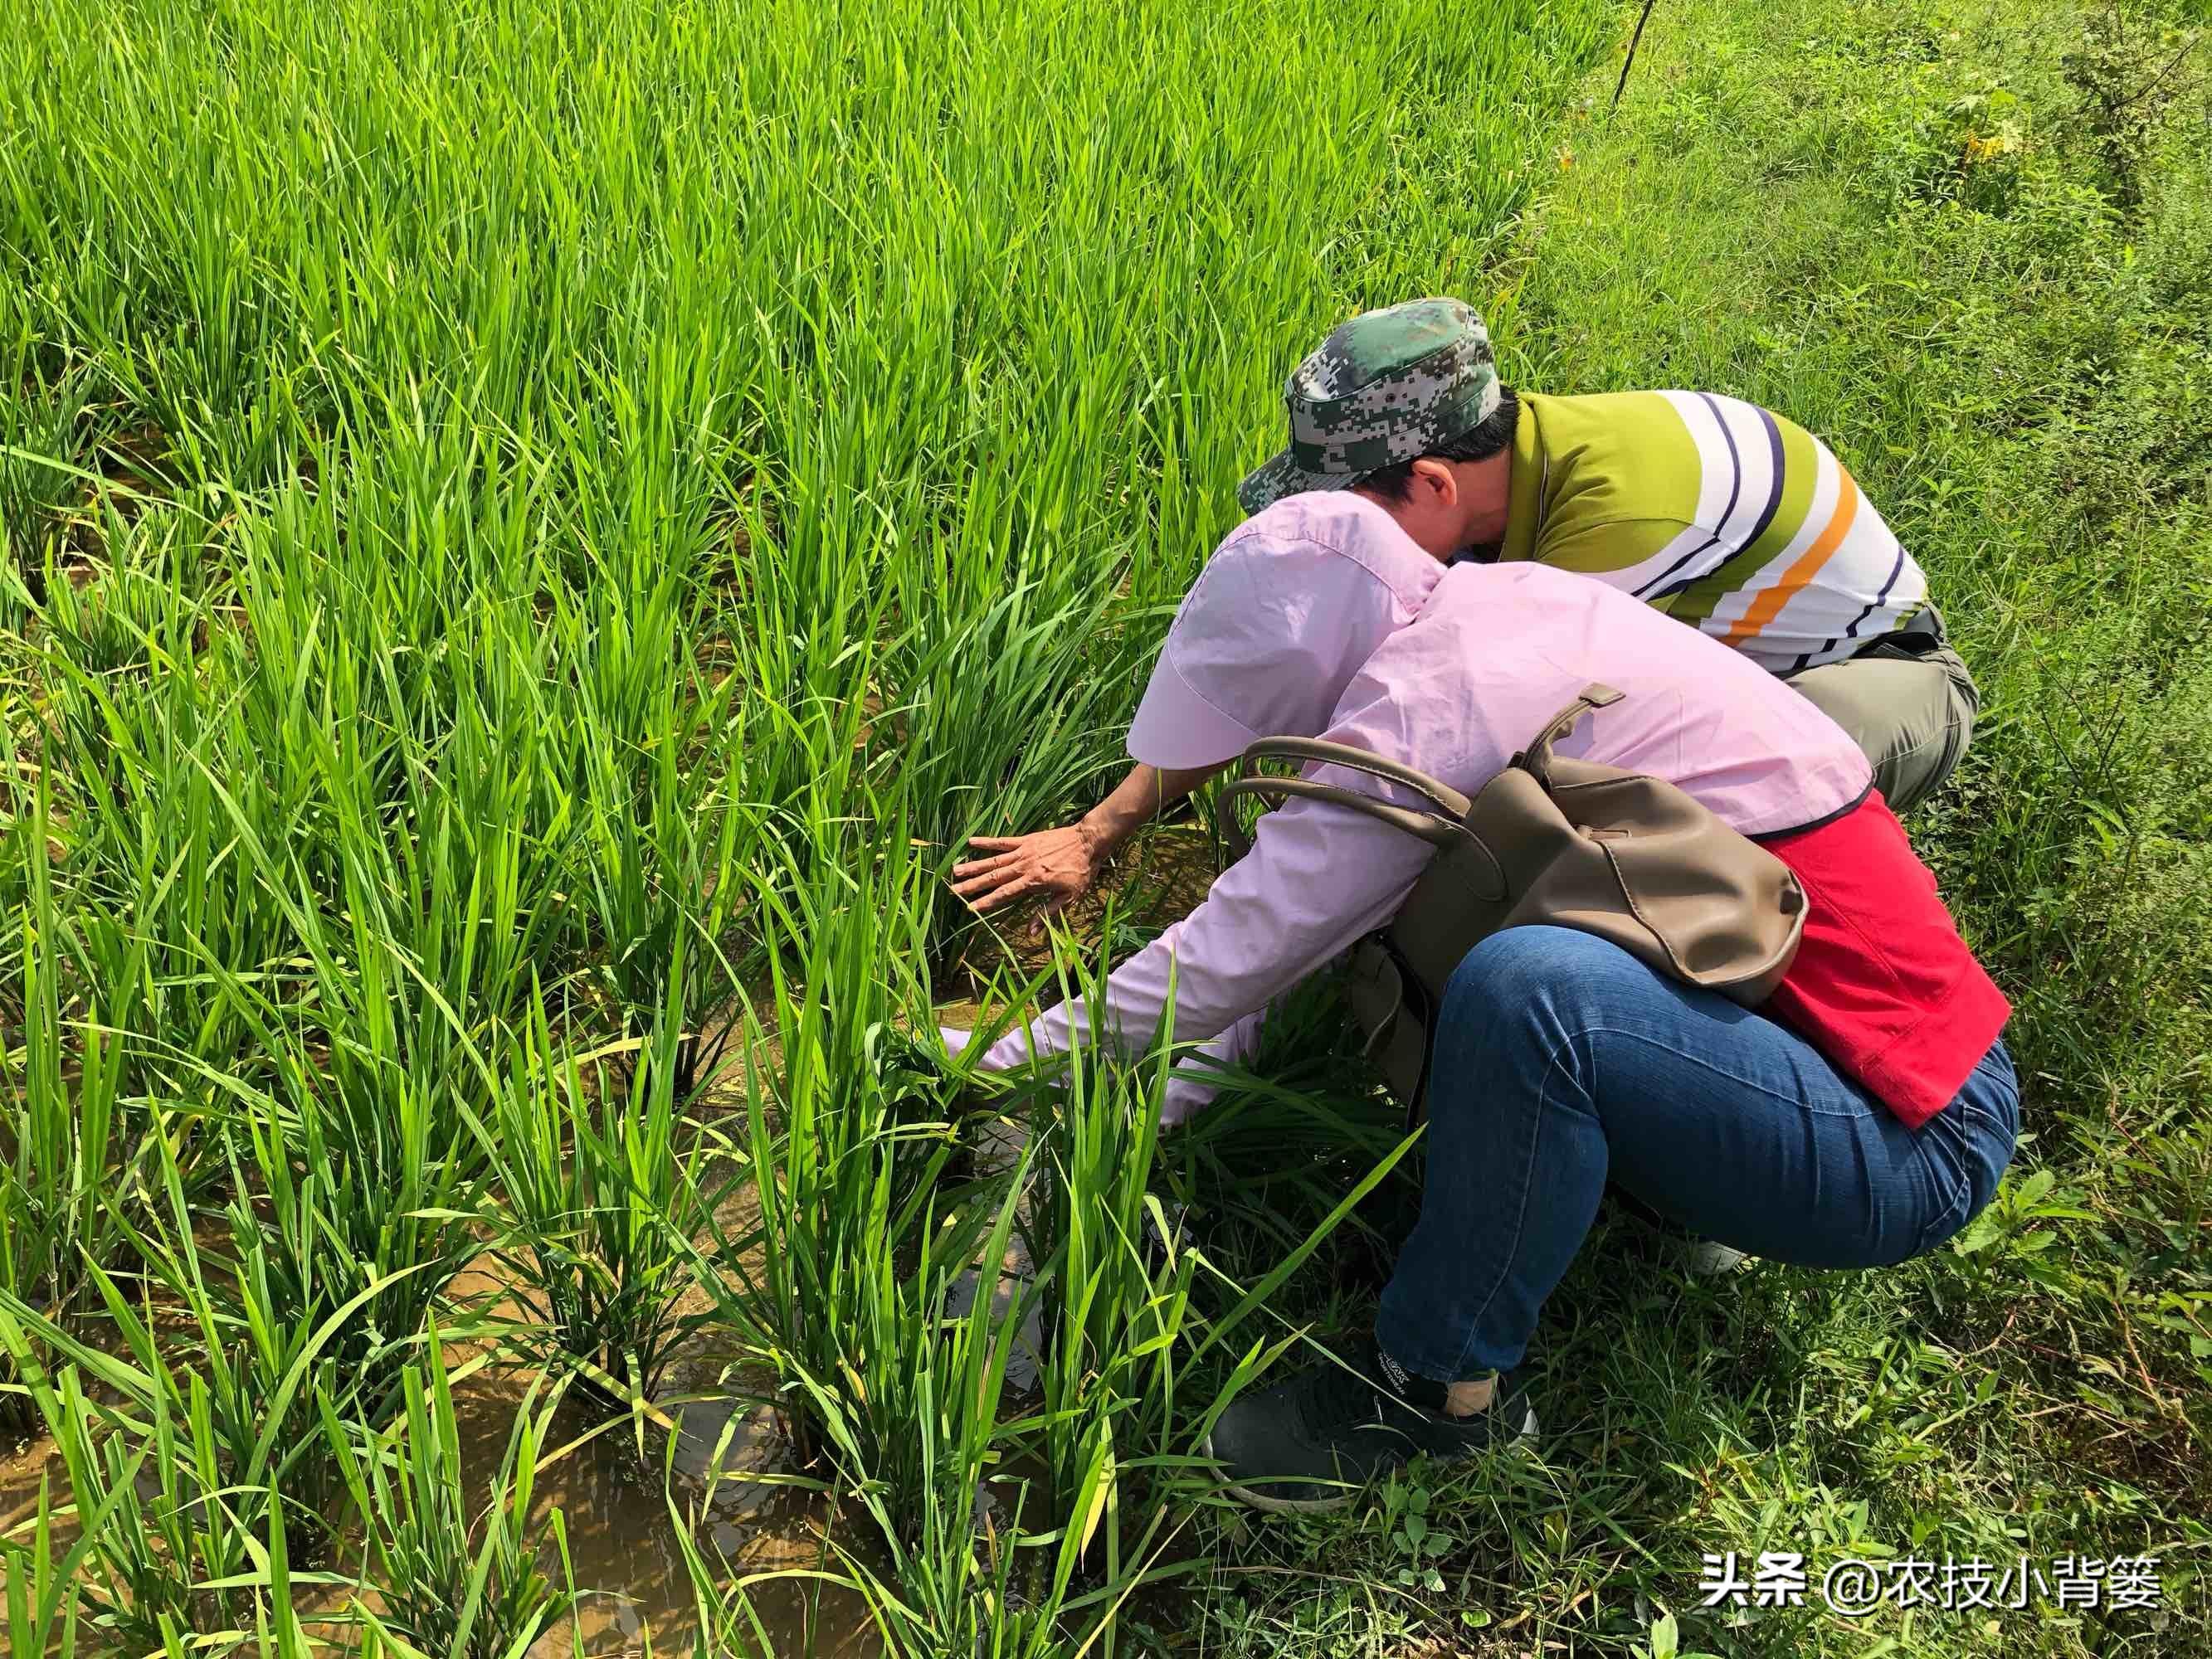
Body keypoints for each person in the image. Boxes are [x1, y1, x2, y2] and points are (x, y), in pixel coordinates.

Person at [942, 307, 2017, 1511]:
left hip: (1908, 1136)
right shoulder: (1485, 618)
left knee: (1529, 994)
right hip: (1798, 1055)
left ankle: (1435, 1393)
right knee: (1455, 921)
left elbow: (1250, 946)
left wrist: (966, 1059)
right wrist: (1162, 1078)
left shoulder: (1443, 696)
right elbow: (1284, 943)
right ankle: (1654, 1180)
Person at [952, 299, 1978, 932]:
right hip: (1726, 656)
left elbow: (1423, 749)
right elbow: (1297, 664)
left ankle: (1738, 1103)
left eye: (1352, 510)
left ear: (1433, 483)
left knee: (1547, 843)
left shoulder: (1614, 526)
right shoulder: (1495, 474)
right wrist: (1103, 828)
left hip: (1869, 684)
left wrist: (1261, 932)